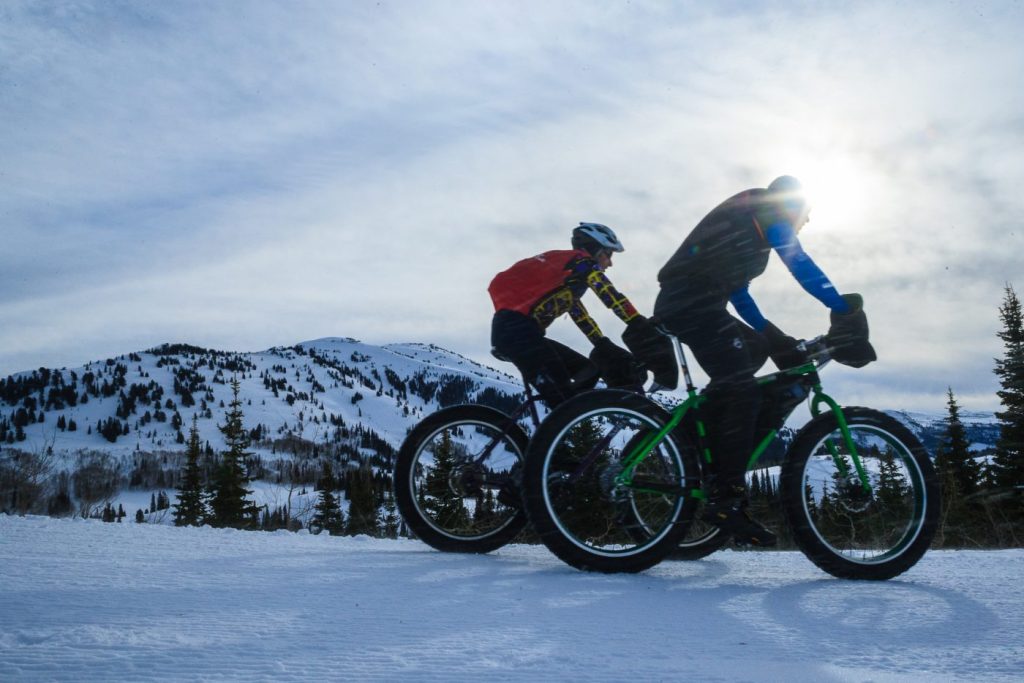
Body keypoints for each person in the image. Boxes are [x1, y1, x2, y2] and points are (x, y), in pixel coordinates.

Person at [653, 175, 874, 546]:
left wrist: (775, 339)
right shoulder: (768, 210)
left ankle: (697, 440)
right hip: (691, 303)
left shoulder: (750, 238)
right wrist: (841, 308)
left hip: (695, 303)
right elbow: (799, 262)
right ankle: (728, 497)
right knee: (743, 389)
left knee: (752, 351)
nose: (806, 223)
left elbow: (740, 299)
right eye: (806, 214)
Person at [489, 222, 661, 407]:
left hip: (520, 334)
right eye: (609, 254)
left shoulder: (567, 278)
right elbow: (610, 295)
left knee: (588, 370)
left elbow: (581, 317)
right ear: (596, 250)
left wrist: (601, 342)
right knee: (562, 397)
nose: (610, 262)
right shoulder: (582, 263)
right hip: (517, 332)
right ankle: (560, 422)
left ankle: (573, 416)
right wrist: (638, 323)